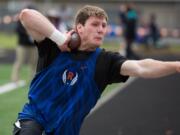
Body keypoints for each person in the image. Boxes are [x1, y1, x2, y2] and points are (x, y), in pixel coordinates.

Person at [13, 5, 180, 135]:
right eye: (95, 24)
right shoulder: (54, 46)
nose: (101, 29)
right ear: (80, 28)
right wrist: (58, 38)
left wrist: (176, 65)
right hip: (33, 120)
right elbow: (26, 15)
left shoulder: (106, 61)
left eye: (104, 25)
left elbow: (141, 67)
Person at [11, 6, 38, 82]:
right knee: (19, 62)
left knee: (34, 62)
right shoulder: (21, 20)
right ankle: (15, 79)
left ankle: (32, 79)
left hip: (33, 45)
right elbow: (18, 30)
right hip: (22, 45)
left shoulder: (35, 21)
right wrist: (28, 33)